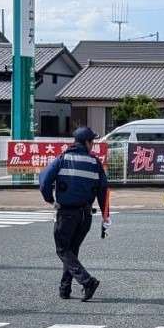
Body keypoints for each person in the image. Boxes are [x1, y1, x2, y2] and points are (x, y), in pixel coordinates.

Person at [39, 126, 109, 302]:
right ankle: (65, 289)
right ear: (86, 142)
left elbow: (44, 180)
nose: (93, 145)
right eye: (92, 141)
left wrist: (49, 199)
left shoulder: (63, 159)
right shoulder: (95, 163)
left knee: (63, 249)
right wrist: (105, 216)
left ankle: (87, 282)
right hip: (86, 215)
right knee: (72, 251)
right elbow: (103, 191)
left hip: (67, 213)